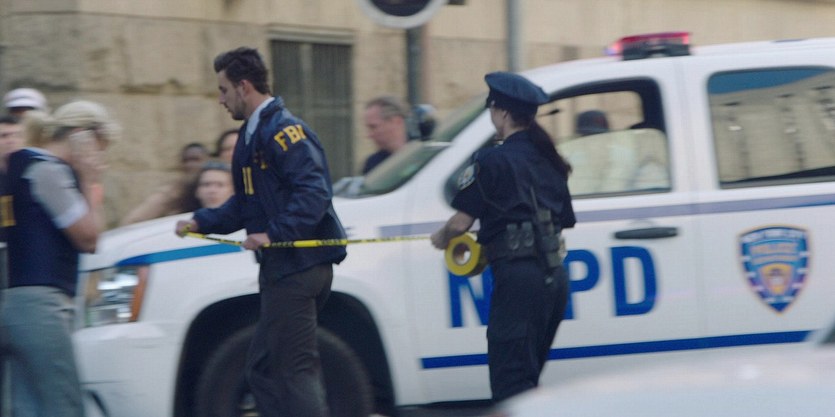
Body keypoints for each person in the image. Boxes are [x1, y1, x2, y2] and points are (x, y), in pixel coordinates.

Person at [175, 46, 347, 417]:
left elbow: (314, 193)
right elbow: (245, 205)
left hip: (298, 267)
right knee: (263, 369)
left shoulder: (284, 131)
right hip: (283, 268)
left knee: (293, 369)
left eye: (224, 90)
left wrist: (274, 234)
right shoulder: (251, 135)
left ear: (244, 86)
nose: (220, 100)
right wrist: (201, 221)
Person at [430, 72, 576, 403]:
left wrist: (442, 237)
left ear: (503, 113)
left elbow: (460, 223)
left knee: (511, 385)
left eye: (492, 109)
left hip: (519, 281)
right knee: (527, 379)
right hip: (554, 277)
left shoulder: (491, 160)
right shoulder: (551, 159)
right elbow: (563, 219)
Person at [0, 100, 118, 417]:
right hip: (41, 306)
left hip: (19, 302)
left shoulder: (24, 165)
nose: (100, 157)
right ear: (82, 136)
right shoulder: (47, 170)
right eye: (100, 147)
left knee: (26, 407)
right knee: (62, 404)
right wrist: (89, 179)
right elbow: (89, 238)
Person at [118, 142, 209, 225]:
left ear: (207, 161)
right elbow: (134, 220)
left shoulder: (215, 186)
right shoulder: (175, 191)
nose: (189, 165)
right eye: (185, 161)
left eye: (195, 160)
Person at [361, 95, 410, 174]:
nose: (369, 135)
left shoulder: (425, 157)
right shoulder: (372, 164)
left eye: (373, 127)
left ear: (396, 122)